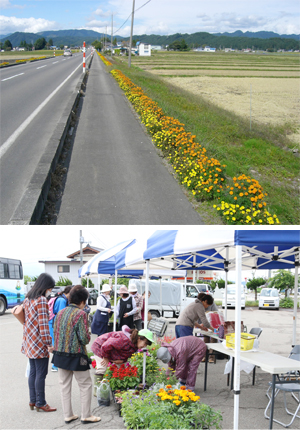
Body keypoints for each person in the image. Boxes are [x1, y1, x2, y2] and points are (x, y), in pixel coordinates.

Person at [52, 285, 101, 424]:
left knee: (64, 385)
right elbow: (84, 339)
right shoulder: (81, 314)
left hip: (60, 354)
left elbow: (56, 332)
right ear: (83, 301)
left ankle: (68, 415)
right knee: (85, 384)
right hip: (76, 355)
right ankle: (86, 415)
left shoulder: (60, 313)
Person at [21, 273, 57, 412]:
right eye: (50, 288)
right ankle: (41, 402)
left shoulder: (28, 299)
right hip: (39, 343)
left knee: (33, 373)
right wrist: (49, 343)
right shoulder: (41, 300)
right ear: (46, 287)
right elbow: (43, 325)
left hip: (29, 342)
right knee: (41, 374)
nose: (50, 291)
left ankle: (33, 400)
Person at [49, 285, 72, 372]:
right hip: (54, 324)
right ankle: (55, 365)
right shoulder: (62, 300)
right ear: (68, 293)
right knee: (57, 344)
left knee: (56, 344)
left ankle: (56, 364)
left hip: (52, 323)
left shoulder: (61, 298)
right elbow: (62, 315)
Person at [195, 292, 219, 363]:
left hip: (212, 323)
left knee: (213, 339)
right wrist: (199, 324)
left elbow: (216, 313)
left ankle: (211, 357)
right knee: (206, 339)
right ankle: (205, 356)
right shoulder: (199, 305)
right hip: (204, 324)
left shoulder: (211, 303)